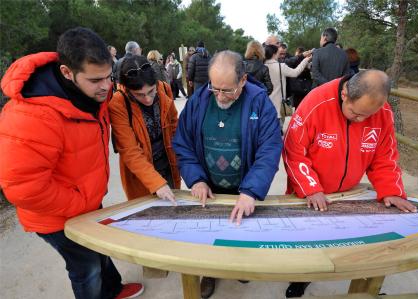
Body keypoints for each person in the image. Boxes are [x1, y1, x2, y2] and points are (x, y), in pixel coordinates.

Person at [0, 27, 144, 299]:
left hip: (84, 200)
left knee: (98, 249)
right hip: (57, 215)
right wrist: (81, 203)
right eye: (95, 80)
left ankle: (112, 289)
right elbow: (23, 188)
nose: (106, 86)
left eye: (108, 76)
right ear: (67, 72)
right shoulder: (30, 116)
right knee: (85, 268)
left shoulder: (90, 92)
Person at [282, 70, 417, 297]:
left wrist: (391, 191)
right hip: (309, 189)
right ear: (345, 94)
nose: (361, 120)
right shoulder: (316, 102)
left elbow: (385, 156)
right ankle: (301, 275)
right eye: (356, 113)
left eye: (368, 115)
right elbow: (294, 151)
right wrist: (310, 188)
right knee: (306, 238)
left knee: (343, 239)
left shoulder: (382, 112)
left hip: (347, 192)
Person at [172, 50, 282, 299]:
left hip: (243, 185)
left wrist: (251, 190)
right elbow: (183, 143)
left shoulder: (259, 102)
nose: (220, 96)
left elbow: (270, 148)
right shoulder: (199, 100)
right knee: (211, 234)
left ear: (242, 80)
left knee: (242, 228)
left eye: (227, 90)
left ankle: (241, 265)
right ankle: (210, 271)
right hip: (210, 185)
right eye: (215, 88)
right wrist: (196, 178)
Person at [109, 55, 181, 203]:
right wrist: (157, 183)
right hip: (141, 175)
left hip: (168, 166)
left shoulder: (165, 89)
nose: (148, 99)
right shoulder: (118, 103)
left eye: (151, 91)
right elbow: (129, 151)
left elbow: (175, 128)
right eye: (139, 95)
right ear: (128, 89)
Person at [264, 44, 311, 129]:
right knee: (278, 130)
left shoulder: (263, 66)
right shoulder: (280, 66)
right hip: (278, 107)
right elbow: (295, 72)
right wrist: (306, 60)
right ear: (274, 54)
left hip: (264, 106)